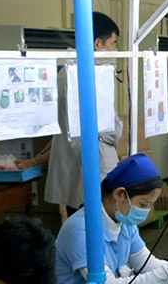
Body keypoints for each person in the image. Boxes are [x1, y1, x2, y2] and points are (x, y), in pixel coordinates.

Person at [44, 154, 168, 284]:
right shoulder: (82, 229)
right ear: (119, 194)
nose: (147, 212)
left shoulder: (123, 221)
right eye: (143, 204)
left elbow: (146, 264)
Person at [21, 12, 123, 214]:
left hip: (77, 170)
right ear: (97, 43)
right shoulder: (88, 76)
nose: (113, 49)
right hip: (92, 170)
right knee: (96, 231)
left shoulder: (66, 72)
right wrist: (115, 129)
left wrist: (34, 160)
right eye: (112, 43)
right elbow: (111, 130)